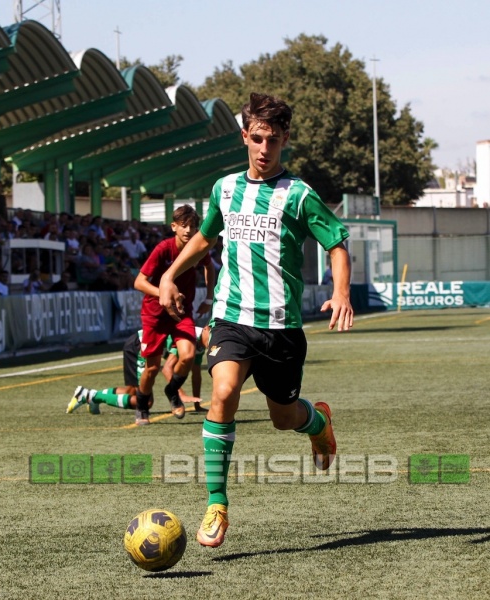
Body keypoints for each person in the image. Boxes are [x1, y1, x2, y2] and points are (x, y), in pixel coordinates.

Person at [159, 92, 354, 548]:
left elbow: (338, 243)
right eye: (258, 138)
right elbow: (205, 238)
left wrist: (341, 291)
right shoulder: (224, 189)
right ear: (244, 136)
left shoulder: (299, 195)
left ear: (285, 139)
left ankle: (317, 423)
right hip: (231, 318)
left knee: (283, 418)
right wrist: (169, 274)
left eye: (274, 140)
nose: (265, 149)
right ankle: (217, 504)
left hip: (281, 327)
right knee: (223, 392)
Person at [134, 205, 215, 426]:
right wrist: (165, 292)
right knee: (151, 368)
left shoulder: (199, 248)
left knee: (188, 356)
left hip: (181, 312)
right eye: (184, 225)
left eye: (193, 226)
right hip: (155, 314)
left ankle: (172, 390)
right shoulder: (163, 249)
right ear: (174, 227)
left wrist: (209, 298)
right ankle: (142, 407)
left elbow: (210, 267)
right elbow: (139, 282)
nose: (189, 230)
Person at [66, 326, 211, 419]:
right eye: (213, 336)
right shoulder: (189, 337)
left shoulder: (200, 344)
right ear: (206, 329)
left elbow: (196, 374)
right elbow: (167, 368)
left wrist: (197, 404)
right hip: (139, 346)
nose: (214, 342)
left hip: (141, 346)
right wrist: (181, 395)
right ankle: (90, 396)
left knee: (132, 391)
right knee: (146, 402)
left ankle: (90, 395)